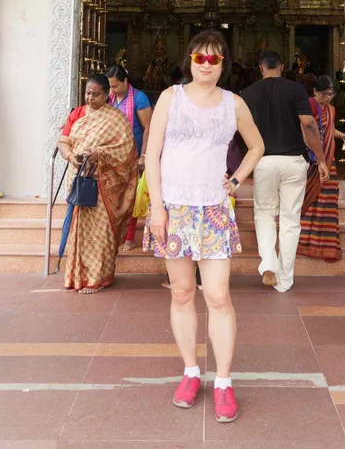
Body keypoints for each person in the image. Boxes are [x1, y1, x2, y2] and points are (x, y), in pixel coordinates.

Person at [144, 30, 264, 423]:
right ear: (190, 60)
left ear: (224, 64)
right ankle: (191, 372)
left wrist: (236, 179)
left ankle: (224, 381)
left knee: (217, 294)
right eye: (200, 58)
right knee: (181, 292)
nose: (207, 65)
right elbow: (152, 153)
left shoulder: (234, 104)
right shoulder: (170, 98)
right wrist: (157, 208)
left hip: (213, 208)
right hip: (174, 208)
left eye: (215, 60)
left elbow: (257, 146)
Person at [241, 50, 326, 292]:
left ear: (260, 67)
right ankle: (285, 279)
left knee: (265, 213)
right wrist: (320, 160)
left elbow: (240, 130)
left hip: (263, 161)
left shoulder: (248, 93)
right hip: (292, 161)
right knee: (291, 220)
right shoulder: (296, 89)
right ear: (283, 65)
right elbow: (308, 123)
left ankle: (268, 261)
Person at [58, 73, 138, 294]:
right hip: (80, 180)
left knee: (101, 230)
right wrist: (70, 156)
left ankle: (98, 278)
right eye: (87, 93)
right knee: (79, 229)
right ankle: (77, 277)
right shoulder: (78, 114)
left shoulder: (116, 119)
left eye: (96, 94)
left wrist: (100, 154)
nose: (90, 98)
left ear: (107, 95)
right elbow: (64, 141)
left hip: (104, 184)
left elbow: (126, 151)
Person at [298, 75, 345, 261]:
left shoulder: (331, 109)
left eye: (331, 94)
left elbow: (330, 131)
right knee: (311, 199)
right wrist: (317, 158)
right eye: (325, 94)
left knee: (328, 200)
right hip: (314, 162)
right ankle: (306, 243)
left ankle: (326, 245)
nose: (328, 98)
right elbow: (305, 131)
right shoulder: (310, 105)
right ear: (315, 92)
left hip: (328, 161)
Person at [107, 64, 152, 251]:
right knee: (113, 197)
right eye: (110, 86)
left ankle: (130, 236)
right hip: (110, 155)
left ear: (126, 81)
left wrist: (144, 155)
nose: (112, 90)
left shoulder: (140, 98)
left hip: (132, 155)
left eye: (116, 86)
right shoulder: (108, 98)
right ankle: (114, 234)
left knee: (130, 197)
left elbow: (148, 128)